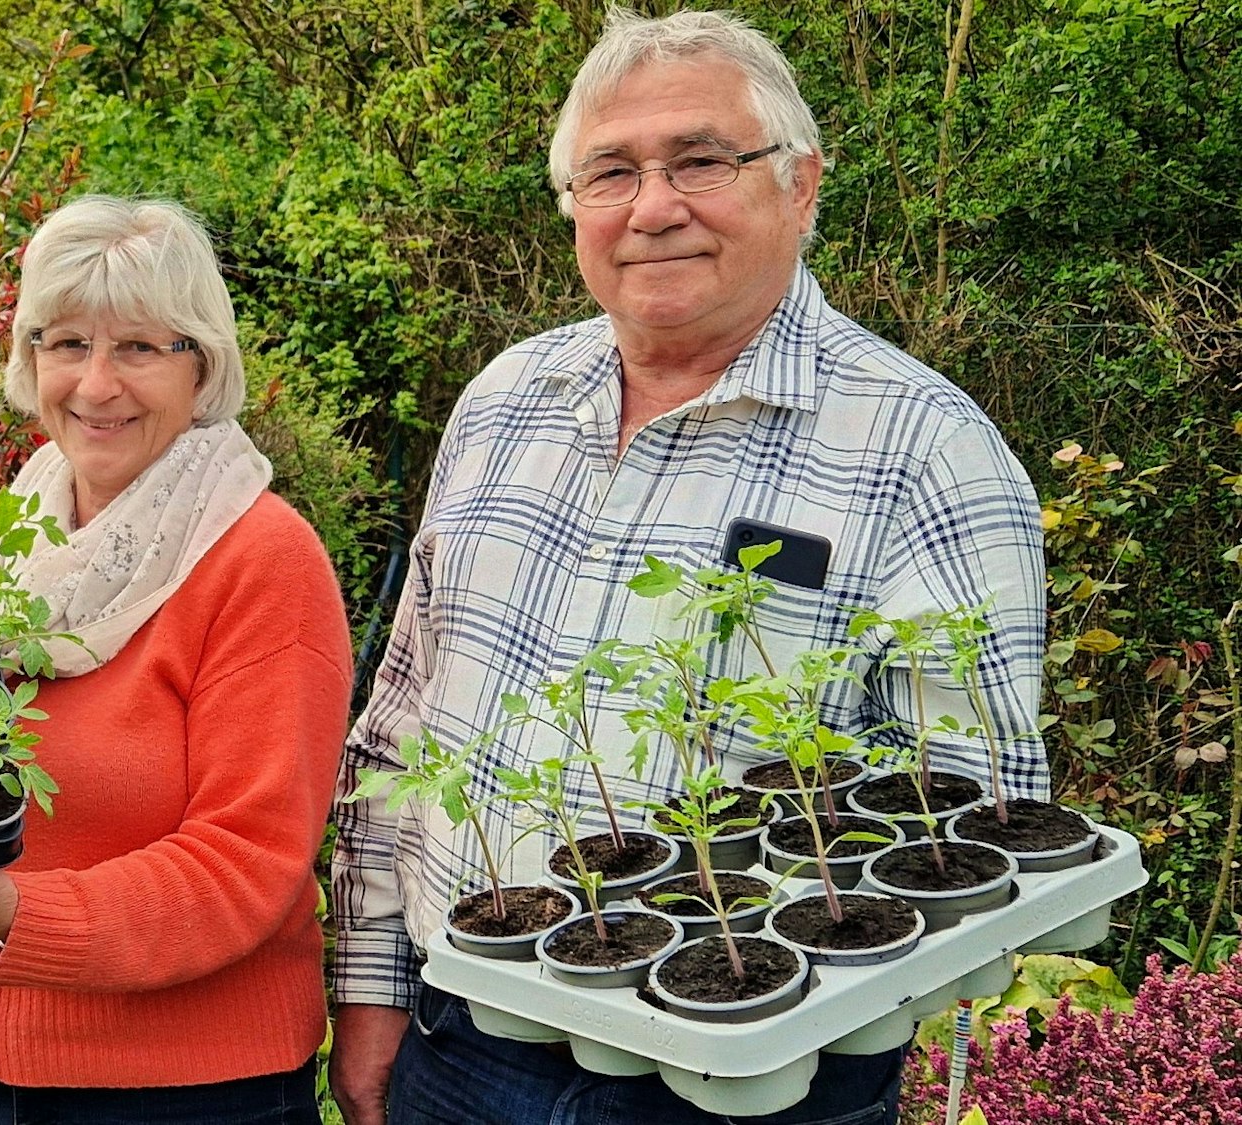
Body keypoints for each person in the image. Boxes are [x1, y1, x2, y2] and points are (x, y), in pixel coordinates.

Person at [328, 9, 1047, 1125]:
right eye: (610, 172)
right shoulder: (504, 402)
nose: (653, 207)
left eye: (701, 161)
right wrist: (372, 987)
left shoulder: (924, 449)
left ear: (799, 185)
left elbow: (970, 818)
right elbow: (404, 721)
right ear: (573, 205)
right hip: (461, 1043)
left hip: (746, 1080)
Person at [0, 195, 353, 1125]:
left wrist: (12, 911)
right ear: (30, 361)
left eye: (139, 348)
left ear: (202, 366)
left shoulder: (262, 561)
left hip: (183, 1092)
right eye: (66, 343)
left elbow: (247, 864)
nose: (97, 385)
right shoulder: (9, 533)